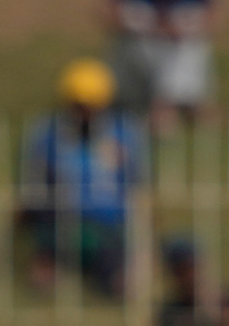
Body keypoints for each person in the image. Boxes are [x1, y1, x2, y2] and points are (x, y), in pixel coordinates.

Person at [18, 57, 146, 298]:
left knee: (118, 287)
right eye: (79, 105)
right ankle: (48, 265)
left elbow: (136, 186)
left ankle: (113, 273)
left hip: (108, 224)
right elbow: (33, 186)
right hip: (60, 218)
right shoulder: (47, 133)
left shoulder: (125, 132)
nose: (85, 113)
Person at [105, 0, 219, 133]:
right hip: (138, 61)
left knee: (188, 48)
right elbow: (110, 14)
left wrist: (177, 29)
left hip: (180, 58)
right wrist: (151, 27)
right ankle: (163, 109)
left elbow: (213, 20)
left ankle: (178, 105)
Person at [158, 236, 229, 326]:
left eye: (193, 267)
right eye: (181, 271)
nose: (190, 276)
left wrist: (223, 310)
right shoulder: (171, 312)